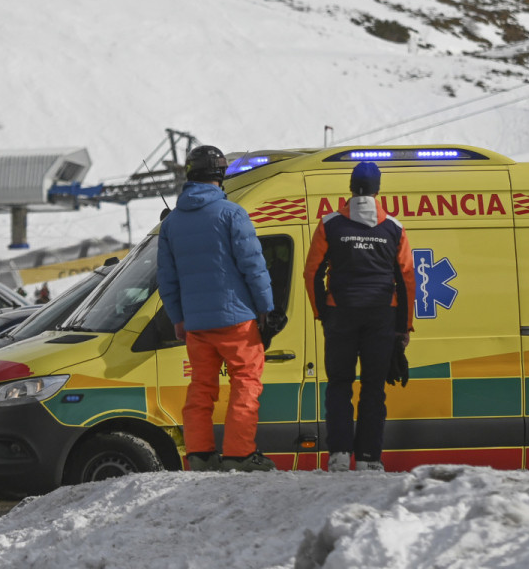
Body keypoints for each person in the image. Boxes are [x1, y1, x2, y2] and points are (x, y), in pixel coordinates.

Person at [157, 144, 279, 473]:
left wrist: (179, 318)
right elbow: (253, 265)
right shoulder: (232, 213)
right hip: (237, 318)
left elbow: (166, 278)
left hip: (197, 324)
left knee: (201, 387)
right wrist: (266, 307)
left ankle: (200, 455)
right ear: (220, 175)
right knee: (246, 382)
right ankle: (240, 455)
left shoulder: (171, 224)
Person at [304, 162, 415, 472]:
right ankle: (368, 458)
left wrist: (323, 313)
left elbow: (312, 272)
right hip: (381, 316)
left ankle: (339, 455)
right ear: (378, 190)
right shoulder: (394, 228)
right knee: (373, 387)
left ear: (350, 188)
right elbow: (406, 278)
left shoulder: (330, 225)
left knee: (339, 384)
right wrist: (403, 327)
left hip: (341, 314)